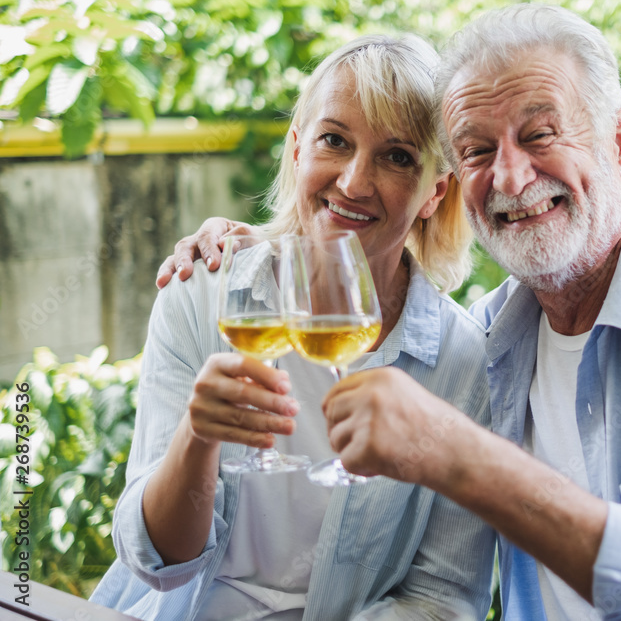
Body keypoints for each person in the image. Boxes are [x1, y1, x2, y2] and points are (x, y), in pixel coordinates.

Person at [163, 5, 621, 619]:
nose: (510, 175)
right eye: (479, 149)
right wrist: (253, 245)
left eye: (541, 134)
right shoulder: (490, 338)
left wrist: (460, 453)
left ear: (620, 142)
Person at [91, 34, 495, 621]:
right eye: (335, 140)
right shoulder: (202, 293)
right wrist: (197, 440)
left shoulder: (465, 365)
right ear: (298, 148)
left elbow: (443, 599)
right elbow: (155, 562)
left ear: (435, 191)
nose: (354, 182)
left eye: (398, 156)